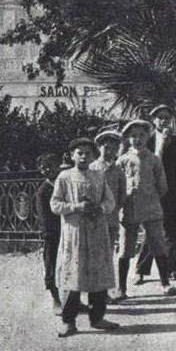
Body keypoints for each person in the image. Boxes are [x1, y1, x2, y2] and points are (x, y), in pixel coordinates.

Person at [50, 138, 120, 337]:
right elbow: (55, 205)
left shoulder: (98, 176)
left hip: (97, 232)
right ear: (72, 155)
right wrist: (75, 207)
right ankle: (69, 321)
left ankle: (97, 318)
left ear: (93, 156)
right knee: (75, 276)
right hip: (75, 234)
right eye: (79, 153)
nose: (83, 156)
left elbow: (110, 201)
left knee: (97, 276)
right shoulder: (64, 177)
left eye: (88, 153)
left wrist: (101, 208)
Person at [114, 119, 176, 299]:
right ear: (128, 139)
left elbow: (163, 187)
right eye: (133, 136)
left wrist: (149, 196)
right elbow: (117, 186)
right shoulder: (122, 160)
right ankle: (122, 289)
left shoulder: (154, 160)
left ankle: (165, 284)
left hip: (151, 208)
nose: (138, 139)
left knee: (158, 245)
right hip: (128, 210)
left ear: (148, 137)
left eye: (142, 135)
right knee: (125, 250)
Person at [134, 105, 176, 283]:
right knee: (152, 230)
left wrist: (169, 143)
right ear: (154, 120)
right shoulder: (147, 140)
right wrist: (162, 145)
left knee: (171, 231)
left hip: (172, 191)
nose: (164, 121)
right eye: (160, 117)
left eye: (167, 117)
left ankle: (172, 269)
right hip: (152, 192)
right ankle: (141, 270)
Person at [34, 152, 64, 314]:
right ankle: (56, 300)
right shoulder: (43, 190)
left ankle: (74, 300)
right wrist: (47, 232)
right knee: (52, 265)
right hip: (52, 234)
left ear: (58, 166)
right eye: (43, 168)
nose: (47, 170)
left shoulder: (63, 183)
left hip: (68, 231)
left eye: (50, 166)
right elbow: (43, 216)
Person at [90, 128, 127, 252]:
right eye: (106, 148)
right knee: (94, 250)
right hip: (93, 218)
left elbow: (122, 195)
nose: (109, 152)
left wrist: (114, 208)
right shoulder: (91, 168)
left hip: (111, 218)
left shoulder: (118, 171)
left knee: (108, 250)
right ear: (99, 148)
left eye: (113, 149)